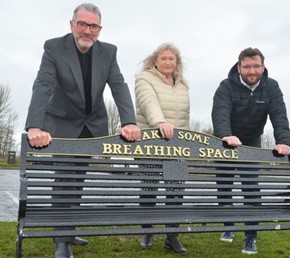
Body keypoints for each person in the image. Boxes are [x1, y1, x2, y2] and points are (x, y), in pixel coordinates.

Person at [25, 3, 141, 258]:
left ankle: (69, 228)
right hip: (63, 123)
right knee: (65, 180)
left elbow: (119, 85)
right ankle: (61, 240)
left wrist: (129, 121)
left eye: (93, 26)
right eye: (82, 24)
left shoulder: (108, 52)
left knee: (79, 180)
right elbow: (43, 83)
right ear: (72, 24)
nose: (87, 30)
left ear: (100, 29)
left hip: (92, 123)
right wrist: (35, 125)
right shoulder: (54, 47)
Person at [211, 47, 290, 255]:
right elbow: (220, 112)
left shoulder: (272, 87)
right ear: (239, 68)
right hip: (225, 142)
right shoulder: (226, 86)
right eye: (247, 67)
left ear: (263, 67)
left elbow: (279, 115)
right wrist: (225, 135)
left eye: (256, 66)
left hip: (251, 142)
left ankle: (250, 236)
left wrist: (283, 141)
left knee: (251, 187)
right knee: (224, 186)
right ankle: (228, 225)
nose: (252, 71)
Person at [134, 43, 190, 254]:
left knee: (176, 192)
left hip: (177, 148)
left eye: (171, 59)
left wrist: (188, 144)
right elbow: (148, 102)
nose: (167, 62)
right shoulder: (144, 79)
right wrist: (159, 122)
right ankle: (147, 229)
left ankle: (172, 236)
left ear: (177, 63)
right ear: (155, 61)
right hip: (150, 144)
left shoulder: (183, 85)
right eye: (163, 58)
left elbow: (186, 118)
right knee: (150, 188)